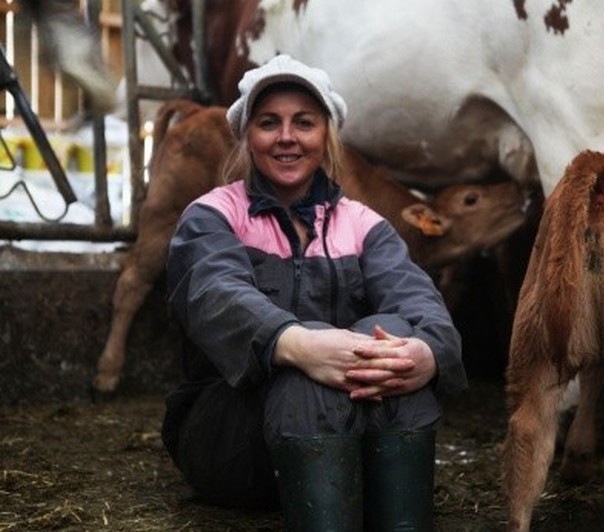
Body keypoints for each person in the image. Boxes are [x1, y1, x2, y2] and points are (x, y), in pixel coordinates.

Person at [160, 54, 468, 531]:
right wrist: (298, 345)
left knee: (395, 347)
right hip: (231, 441)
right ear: (247, 136)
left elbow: (423, 304)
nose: (287, 137)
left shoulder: (364, 226)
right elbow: (213, 292)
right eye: (269, 123)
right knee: (309, 372)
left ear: (326, 135)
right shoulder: (212, 216)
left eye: (303, 122)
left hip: (348, 439)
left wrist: (427, 354)